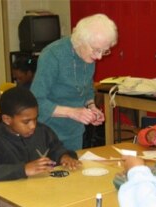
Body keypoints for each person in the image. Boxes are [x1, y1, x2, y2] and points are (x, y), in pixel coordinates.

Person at [31, 13, 118, 151]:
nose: (99, 57)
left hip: (74, 133)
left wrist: (91, 107)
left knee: (73, 171)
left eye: (105, 51)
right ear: (80, 41)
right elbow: (36, 101)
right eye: (96, 50)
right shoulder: (52, 55)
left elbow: (86, 87)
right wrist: (72, 112)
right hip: (47, 134)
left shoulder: (89, 56)